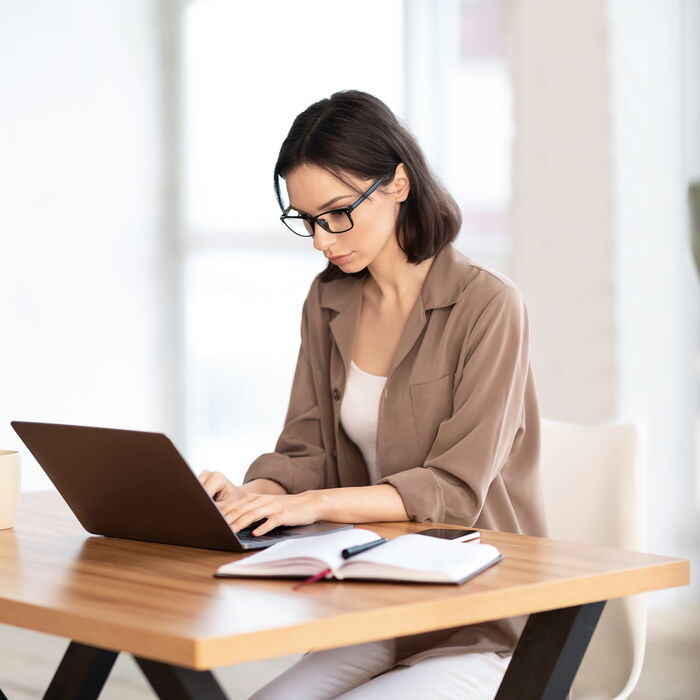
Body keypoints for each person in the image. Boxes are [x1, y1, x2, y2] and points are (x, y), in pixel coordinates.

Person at [197, 89, 547, 700]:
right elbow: (306, 447)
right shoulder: (329, 300)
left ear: (399, 184)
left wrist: (316, 505)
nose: (321, 240)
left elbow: (455, 491)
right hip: (374, 602)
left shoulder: (488, 305)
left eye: (337, 213)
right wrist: (261, 496)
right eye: (306, 221)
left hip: (479, 614)